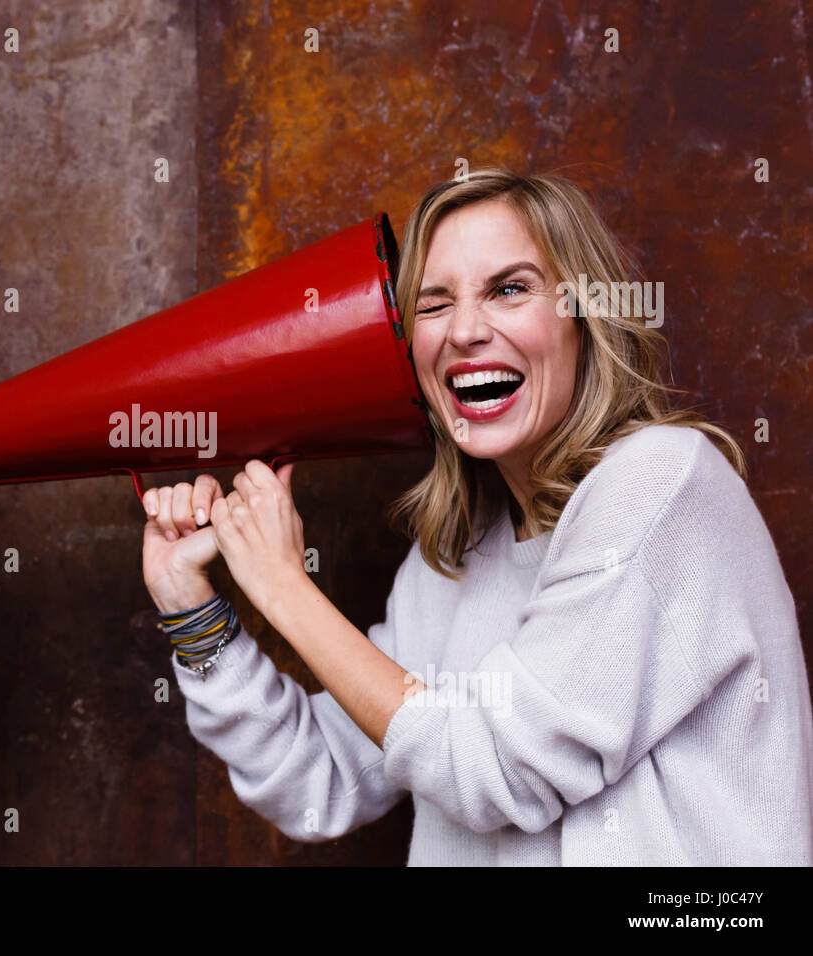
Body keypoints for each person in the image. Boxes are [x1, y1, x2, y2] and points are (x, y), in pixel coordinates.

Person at [139, 168, 813, 865]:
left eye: (509, 289)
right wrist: (190, 610)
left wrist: (282, 586)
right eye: (433, 305)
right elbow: (321, 779)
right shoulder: (457, 558)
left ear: (586, 312)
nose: (464, 330)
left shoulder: (666, 482)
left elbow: (495, 772)